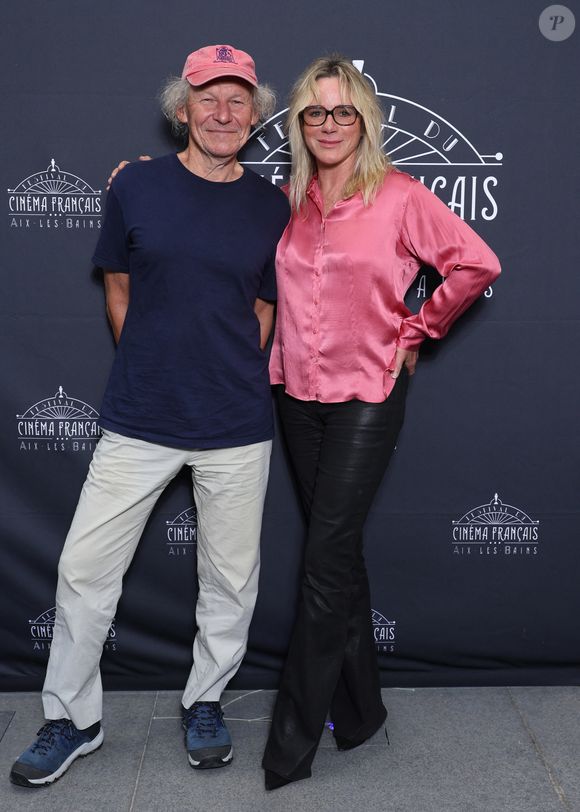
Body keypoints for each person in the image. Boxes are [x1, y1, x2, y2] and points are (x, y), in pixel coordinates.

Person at [9, 44, 290, 788]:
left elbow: (263, 306)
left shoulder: (272, 204)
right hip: (139, 414)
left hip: (234, 422)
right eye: (209, 98)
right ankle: (73, 717)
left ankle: (205, 701)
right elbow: (119, 289)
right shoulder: (134, 186)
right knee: (83, 570)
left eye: (238, 101)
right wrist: (157, 364)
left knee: (230, 580)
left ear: (256, 117)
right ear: (181, 111)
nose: (223, 113)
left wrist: (221, 369)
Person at [261, 55, 501, 790]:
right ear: (300, 123)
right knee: (338, 556)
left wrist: (415, 329)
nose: (328, 124)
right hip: (295, 391)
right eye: (314, 112)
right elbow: (209, 204)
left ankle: (289, 746)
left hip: (368, 391)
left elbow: (476, 263)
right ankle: (361, 715)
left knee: (324, 557)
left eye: (343, 111)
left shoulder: (398, 195)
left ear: (365, 119)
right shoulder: (286, 199)